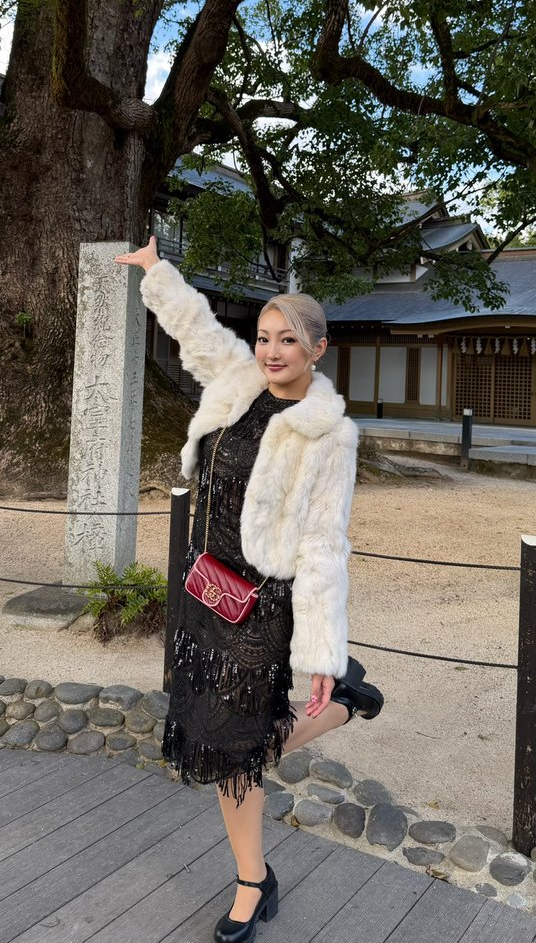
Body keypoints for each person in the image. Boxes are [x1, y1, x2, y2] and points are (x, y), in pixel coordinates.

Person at [114, 237, 383, 943]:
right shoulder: (238, 384)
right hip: (207, 593)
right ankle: (257, 872)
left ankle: (251, 881)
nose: (271, 351)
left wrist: (324, 655)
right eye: (264, 337)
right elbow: (197, 332)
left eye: (288, 340)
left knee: (234, 749)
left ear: (318, 349)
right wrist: (156, 272)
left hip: (261, 609)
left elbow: (325, 545)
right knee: (216, 739)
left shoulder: (331, 436)